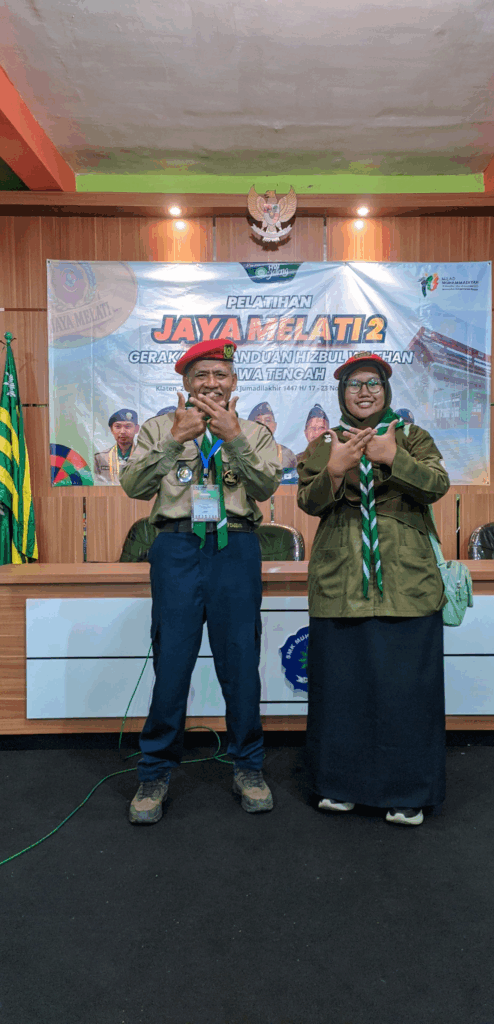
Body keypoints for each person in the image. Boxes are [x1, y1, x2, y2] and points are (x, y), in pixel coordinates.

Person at [120, 339, 282, 824]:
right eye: (201, 375)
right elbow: (133, 486)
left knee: (241, 662)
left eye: (220, 375)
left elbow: (267, 486)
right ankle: (154, 772)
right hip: (176, 548)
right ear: (186, 383)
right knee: (172, 663)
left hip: (235, 547)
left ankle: (248, 766)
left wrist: (234, 438)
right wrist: (175, 439)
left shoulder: (254, 431)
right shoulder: (158, 428)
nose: (212, 383)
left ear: (234, 381)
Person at [297, 351, 450, 826]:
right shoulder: (325, 443)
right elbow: (308, 501)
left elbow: (437, 485)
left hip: (406, 582)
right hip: (340, 581)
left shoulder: (411, 436)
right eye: (354, 384)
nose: (364, 392)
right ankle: (339, 785)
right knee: (342, 691)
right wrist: (334, 470)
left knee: (407, 693)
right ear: (341, 393)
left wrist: (393, 458)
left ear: (386, 390)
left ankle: (408, 792)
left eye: (373, 383)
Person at [248, 401, 298, 482]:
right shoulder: (241, 453)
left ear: (275, 425)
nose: (263, 425)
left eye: (268, 420)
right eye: (258, 421)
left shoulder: (287, 455)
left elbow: (293, 485)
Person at [94, 408, 139, 484]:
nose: (122, 431)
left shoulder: (145, 456)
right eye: (118, 426)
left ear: (137, 429)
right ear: (111, 429)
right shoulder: (100, 458)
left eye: (128, 426)